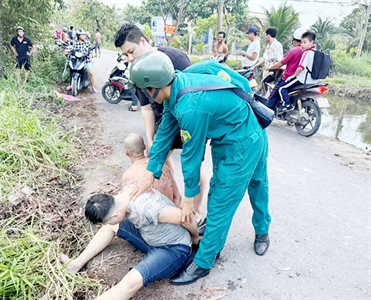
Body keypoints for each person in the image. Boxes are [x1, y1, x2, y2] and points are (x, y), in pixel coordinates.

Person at [129, 51, 270, 285]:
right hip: (245, 127)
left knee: (222, 200)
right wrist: (149, 172)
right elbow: (165, 131)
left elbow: (192, 158)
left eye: (143, 91)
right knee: (254, 183)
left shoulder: (190, 108)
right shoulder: (181, 80)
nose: (143, 96)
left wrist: (188, 199)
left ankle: (205, 261)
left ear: (153, 88)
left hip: (241, 141)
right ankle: (253, 231)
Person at [114, 24, 207, 224]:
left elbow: (191, 92)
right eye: (126, 55)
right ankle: (173, 199)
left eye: (131, 52)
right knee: (160, 160)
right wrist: (150, 139)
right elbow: (146, 107)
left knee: (194, 163)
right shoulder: (137, 69)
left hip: (189, 119)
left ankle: (195, 213)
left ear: (142, 41)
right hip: (165, 119)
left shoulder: (175, 58)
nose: (130, 58)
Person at [60, 186, 199, 300]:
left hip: (173, 247)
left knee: (131, 281)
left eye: (106, 221)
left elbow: (184, 218)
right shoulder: (122, 197)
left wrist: (195, 239)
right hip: (150, 236)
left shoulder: (146, 208)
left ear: (114, 215)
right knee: (111, 227)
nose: (104, 225)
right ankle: (75, 264)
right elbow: (112, 222)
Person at [122, 133, 181, 206]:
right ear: (144, 147)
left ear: (126, 152)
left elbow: (127, 205)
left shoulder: (127, 176)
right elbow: (177, 197)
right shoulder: (162, 166)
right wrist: (173, 214)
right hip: (171, 212)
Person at [277, 31, 318, 111]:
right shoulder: (316, 53)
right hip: (314, 81)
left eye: (305, 42)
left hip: (303, 80)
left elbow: (301, 67)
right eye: (302, 43)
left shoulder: (306, 53)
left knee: (282, 88)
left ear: (311, 42)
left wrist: (293, 76)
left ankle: (288, 106)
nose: (302, 45)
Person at [266, 28, 306, 110]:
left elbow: (281, 63)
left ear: (294, 40)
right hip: (301, 80)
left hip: (288, 78)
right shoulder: (306, 51)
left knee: (273, 96)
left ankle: (266, 115)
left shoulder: (294, 50)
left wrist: (270, 68)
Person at [248, 27, 283, 98]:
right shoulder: (268, 46)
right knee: (264, 91)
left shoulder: (278, 45)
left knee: (270, 92)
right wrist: (254, 66)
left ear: (268, 36)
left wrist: (270, 67)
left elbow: (280, 61)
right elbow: (264, 58)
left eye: (266, 35)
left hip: (273, 74)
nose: (265, 37)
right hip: (266, 73)